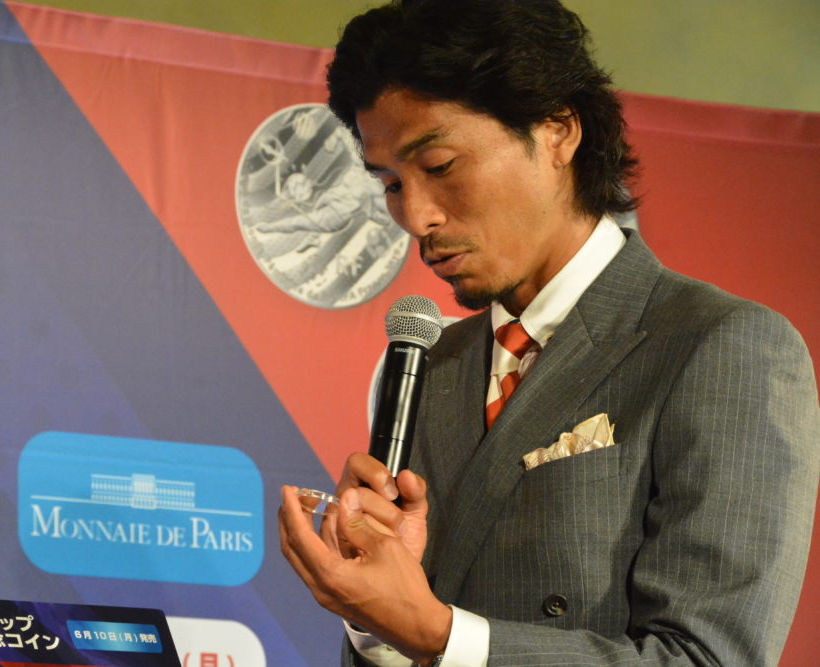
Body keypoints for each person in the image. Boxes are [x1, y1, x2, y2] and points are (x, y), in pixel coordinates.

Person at [276, 0, 820, 665]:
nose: (416, 216)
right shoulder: (428, 366)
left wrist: (439, 635)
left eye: (439, 165)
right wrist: (375, 618)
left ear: (558, 131)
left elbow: (707, 657)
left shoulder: (722, 346)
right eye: (390, 184)